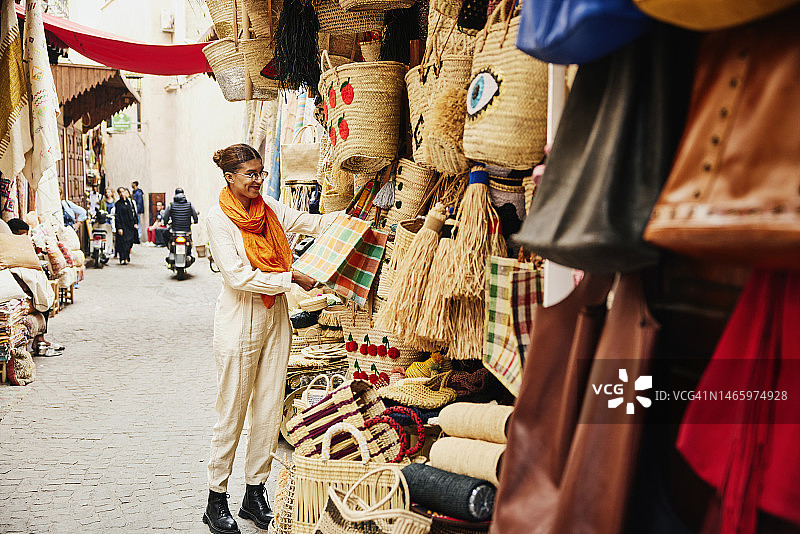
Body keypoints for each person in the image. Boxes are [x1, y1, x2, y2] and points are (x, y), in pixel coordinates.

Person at [203, 144, 336, 534]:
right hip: (239, 320)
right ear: (229, 178)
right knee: (232, 411)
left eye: (261, 172)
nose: (259, 180)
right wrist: (292, 277)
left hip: (275, 316)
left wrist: (355, 217)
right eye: (251, 174)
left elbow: (309, 222)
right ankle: (215, 498)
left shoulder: (269, 207)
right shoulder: (218, 218)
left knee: (269, 405)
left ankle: (254, 492)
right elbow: (238, 276)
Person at [7, 218, 65, 357]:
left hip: (24, 279)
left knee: (43, 291)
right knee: (40, 291)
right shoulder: (8, 245)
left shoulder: (24, 245)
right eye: (22, 235)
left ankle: (40, 338)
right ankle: (39, 339)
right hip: (14, 280)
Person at [114, 187, 138, 265]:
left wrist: (135, 223)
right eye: (120, 192)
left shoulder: (130, 202)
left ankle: (127, 256)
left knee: (130, 242)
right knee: (123, 242)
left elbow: (134, 213)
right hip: (122, 225)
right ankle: (122, 258)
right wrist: (119, 227)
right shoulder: (118, 204)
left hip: (130, 225)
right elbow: (117, 216)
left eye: (123, 192)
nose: (122, 194)